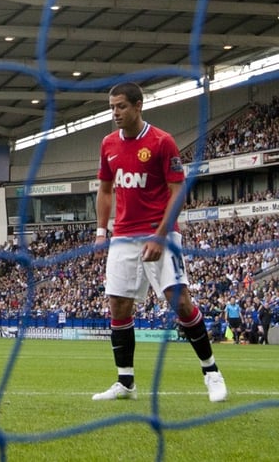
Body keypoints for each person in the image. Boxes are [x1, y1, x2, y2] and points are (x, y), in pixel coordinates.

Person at [91, 82, 226, 403]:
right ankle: (125, 382)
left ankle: (212, 372)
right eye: (112, 107)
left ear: (138, 106)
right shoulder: (108, 144)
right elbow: (106, 189)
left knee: (179, 301)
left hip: (160, 232)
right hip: (123, 235)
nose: (115, 113)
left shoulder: (162, 142)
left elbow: (177, 191)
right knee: (119, 305)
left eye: (121, 106)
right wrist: (100, 231)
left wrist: (161, 235)